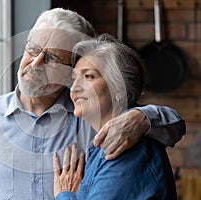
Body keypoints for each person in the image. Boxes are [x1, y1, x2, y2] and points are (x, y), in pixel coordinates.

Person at [0, 8, 184, 199]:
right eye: (32, 50)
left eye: (53, 58)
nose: (34, 64)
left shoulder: (93, 115)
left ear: (71, 71)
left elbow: (174, 126)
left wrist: (143, 118)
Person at [53, 34, 177, 199]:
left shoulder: (124, 145)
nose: (74, 88)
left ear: (119, 90)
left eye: (88, 76)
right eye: (74, 79)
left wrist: (64, 194)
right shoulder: (105, 142)